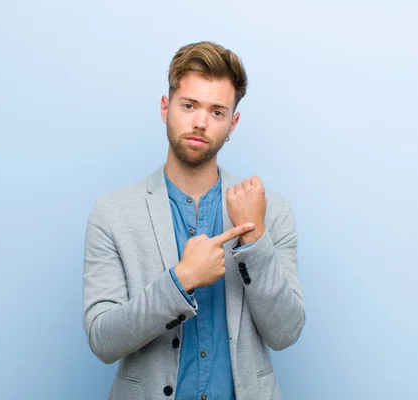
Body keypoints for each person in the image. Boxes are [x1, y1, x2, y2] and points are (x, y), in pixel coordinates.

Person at [83, 41, 305, 400]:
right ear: (165, 107)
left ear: (232, 123)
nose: (200, 122)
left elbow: (285, 333)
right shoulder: (112, 213)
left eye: (217, 112)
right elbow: (103, 340)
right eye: (189, 106)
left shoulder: (271, 211)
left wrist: (256, 240)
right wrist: (182, 279)